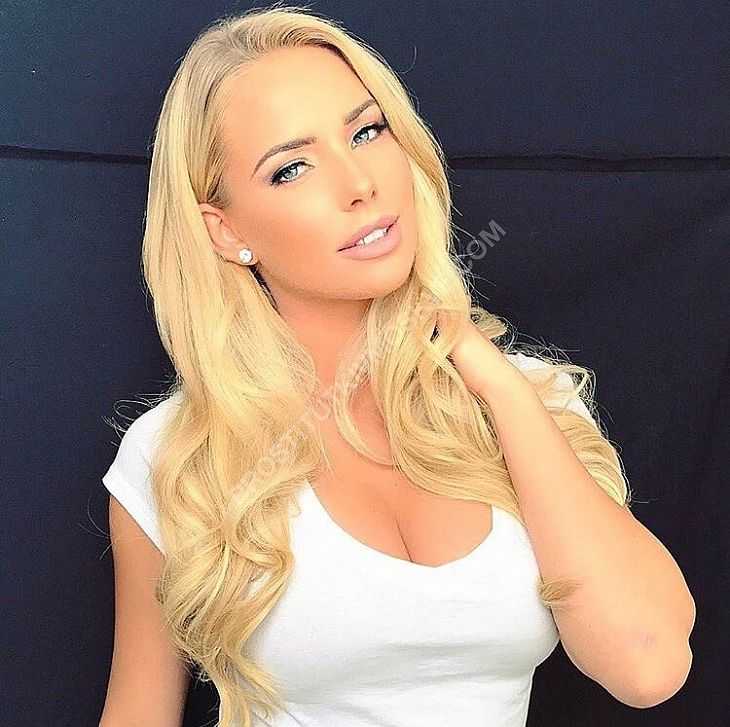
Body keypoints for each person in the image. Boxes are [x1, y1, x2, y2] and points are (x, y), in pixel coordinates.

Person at [99, 5, 693, 727]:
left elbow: (647, 666)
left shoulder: (529, 399)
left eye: (366, 132)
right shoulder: (181, 457)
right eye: (292, 168)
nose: (359, 182)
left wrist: (495, 383)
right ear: (224, 232)